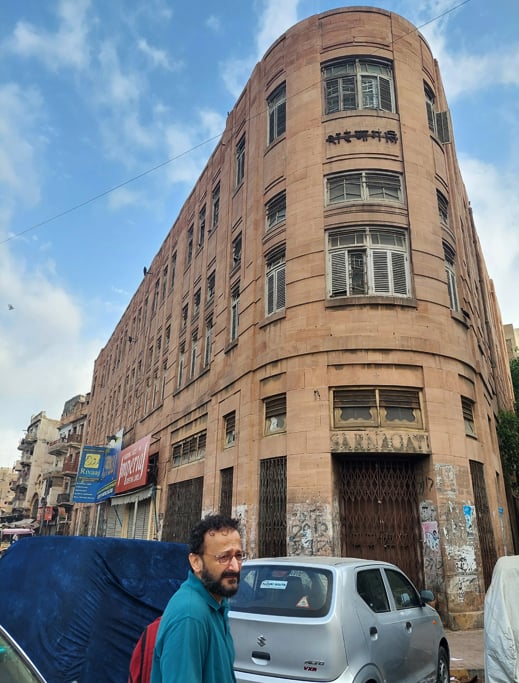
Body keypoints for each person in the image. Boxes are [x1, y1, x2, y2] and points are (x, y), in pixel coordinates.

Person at [150, 513, 244, 683]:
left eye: (238, 555)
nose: (235, 567)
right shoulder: (190, 615)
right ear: (196, 562)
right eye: (224, 557)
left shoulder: (218, 603)